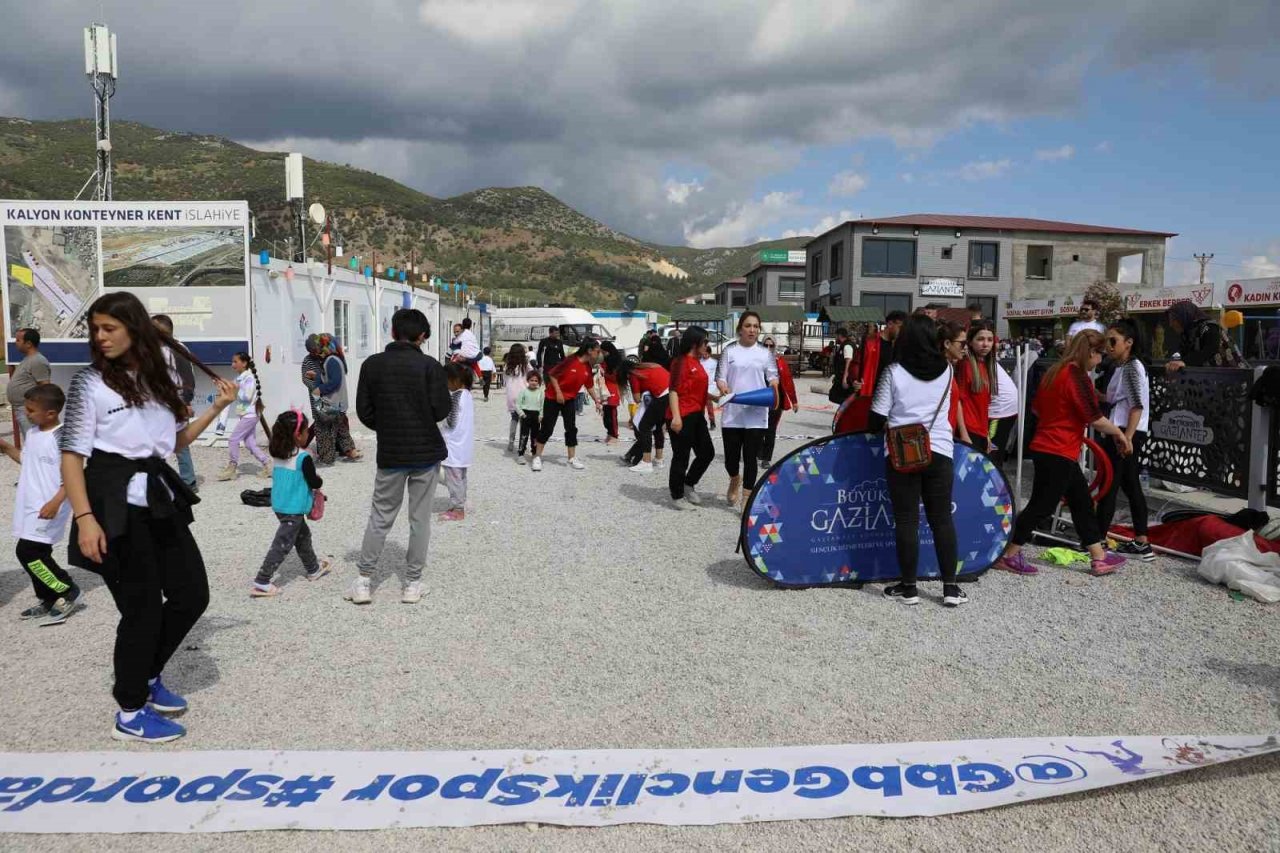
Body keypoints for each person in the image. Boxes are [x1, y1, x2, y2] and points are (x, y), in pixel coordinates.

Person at [60, 291, 238, 743]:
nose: (99, 338)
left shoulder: (158, 380)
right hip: (111, 502)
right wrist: (84, 518)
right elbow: (72, 457)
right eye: (95, 330)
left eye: (109, 329)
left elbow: (173, 444)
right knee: (140, 610)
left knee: (191, 594)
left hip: (158, 496)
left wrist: (215, 409)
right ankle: (130, 708)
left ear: (134, 329)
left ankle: (147, 673)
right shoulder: (89, 383)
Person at [993, 330, 1132, 578]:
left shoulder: (1053, 373)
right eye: (1099, 355)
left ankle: (1098, 557)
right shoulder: (1077, 377)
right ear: (1091, 352)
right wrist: (1120, 435)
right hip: (1059, 448)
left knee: (1080, 502)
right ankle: (1008, 554)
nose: (1100, 360)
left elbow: (1037, 409)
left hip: (1049, 446)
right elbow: (1095, 418)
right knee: (1041, 506)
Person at [351, 308, 452, 605]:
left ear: (393, 332)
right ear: (422, 336)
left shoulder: (372, 365)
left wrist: (389, 425)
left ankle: (363, 581)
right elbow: (441, 410)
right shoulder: (430, 367)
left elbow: (365, 411)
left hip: (391, 452)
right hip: (426, 451)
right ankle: (412, 583)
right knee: (420, 520)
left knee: (380, 516)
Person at [868, 315, 968, 608]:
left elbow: (875, 420)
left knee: (907, 520)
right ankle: (950, 588)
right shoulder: (948, 371)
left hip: (901, 454)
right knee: (941, 520)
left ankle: (909, 588)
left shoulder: (894, 372)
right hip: (940, 450)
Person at [1, 384, 79, 625]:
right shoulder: (34, 433)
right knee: (37, 553)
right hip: (30, 506)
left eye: (31, 410)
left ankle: (65, 589)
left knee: (27, 551)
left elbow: (72, 474)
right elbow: (26, 460)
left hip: (49, 506)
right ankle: (48, 598)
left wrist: (56, 501)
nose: (26, 414)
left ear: (51, 413)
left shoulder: (63, 437)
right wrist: (6, 448)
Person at [250, 409, 330, 597]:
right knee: (283, 543)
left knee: (302, 536)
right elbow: (314, 482)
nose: (307, 434)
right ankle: (262, 580)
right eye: (305, 431)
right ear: (298, 435)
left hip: (279, 504)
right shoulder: (303, 457)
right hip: (293, 508)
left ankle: (313, 569)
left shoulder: (278, 453)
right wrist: (319, 482)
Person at [1097, 319, 1154, 561]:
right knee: (1129, 485)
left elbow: (1136, 405)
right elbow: (1115, 399)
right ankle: (1141, 540)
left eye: (1114, 341)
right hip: (1122, 428)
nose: (1109, 346)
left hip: (1125, 430)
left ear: (1128, 343)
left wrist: (1127, 437)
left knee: (1109, 483)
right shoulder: (1121, 367)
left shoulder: (1131, 367)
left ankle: (1097, 539)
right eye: (1107, 340)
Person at [716, 311, 779, 507]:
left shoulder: (765, 353)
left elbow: (773, 376)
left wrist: (775, 386)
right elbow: (720, 376)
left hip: (756, 414)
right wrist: (722, 386)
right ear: (740, 329)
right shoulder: (730, 351)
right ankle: (735, 479)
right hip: (733, 413)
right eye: (748, 326)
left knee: (751, 458)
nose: (752, 330)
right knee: (731, 460)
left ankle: (747, 498)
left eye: (756, 326)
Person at [531, 339, 603, 472]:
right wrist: (558, 392)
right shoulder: (570, 360)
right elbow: (552, 374)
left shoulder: (588, 366)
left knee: (571, 428)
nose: (599, 354)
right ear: (589, 350)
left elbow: (589, 385)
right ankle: (537, 457)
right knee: (547, 428)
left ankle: (572, 458)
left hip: (569, 400)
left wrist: (597, 401)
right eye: (597, 351)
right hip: (553, 398)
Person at [667, 327, 716, 510]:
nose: (707, 345)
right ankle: (677, 495)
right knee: (681, 457)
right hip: (682, 415)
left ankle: (688, 484)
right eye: (705, 342)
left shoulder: (697, 362)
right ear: (695, 343)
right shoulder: (680, 363)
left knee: (707, 453)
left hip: (697, 414)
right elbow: (673, 391)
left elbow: (698, 390)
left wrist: (717, 398)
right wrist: (676, 418)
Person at [839, 311, 906, 432]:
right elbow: (856, 364)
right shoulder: (871, 341)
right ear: (890, 324)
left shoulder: (900, 345)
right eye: (900, 327)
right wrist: (854, 380)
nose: (902, 331)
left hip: (890, 396)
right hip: (869, 392)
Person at [153, 315, 198, 491]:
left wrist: (185, 401)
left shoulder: (177, 349)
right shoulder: (152, 350)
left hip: (175, 404)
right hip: (156, 405)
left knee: (181, 443)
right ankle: (156, 479)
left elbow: (188, 378)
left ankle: (188, 482)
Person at [302, 333, 359, 465]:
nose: (315, 352)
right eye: (313, 351)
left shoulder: (330, 360)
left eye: (316, 349)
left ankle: (332, 454)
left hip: (329, 398)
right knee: (329, 424)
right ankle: (345, 450)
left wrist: (319, 386)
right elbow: (309, 378)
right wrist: (316, 386)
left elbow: (332, 380)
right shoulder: (312, 360)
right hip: (321, 398)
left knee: (329, 426)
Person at [217, 352, 270, 481]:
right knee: (250, 443)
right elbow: (231, 387)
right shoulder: (240, 377)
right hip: (246, 414)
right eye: (232, 362)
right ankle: (268, 464)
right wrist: (220, 384)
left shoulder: (249, 378)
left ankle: (232, 467)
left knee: (233, 440)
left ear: (244, 363)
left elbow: (247, 396)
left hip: (250, 415)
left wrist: (235, 390)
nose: (232, 364)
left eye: (235, 362)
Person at [1165, 299, 1245, 374]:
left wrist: (1185, 362)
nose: (1171, 324)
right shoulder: (1187, 335)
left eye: (1173, 319)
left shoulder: (1209, 327)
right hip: (1210, 380)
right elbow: (1185, 356)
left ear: (1184, 316)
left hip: (1233, 377)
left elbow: (1211, 348)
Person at [439, 362, 475, 521]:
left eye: (446, 380)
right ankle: (460, 503)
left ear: (454, 380)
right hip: (464, 446)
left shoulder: (455, 397)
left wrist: (441, 423)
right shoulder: (467, 395)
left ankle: (459, 509)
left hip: (454, 446)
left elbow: (451, 421)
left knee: (453, 478)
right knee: (461, 477)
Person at [619, 359, 669, 472]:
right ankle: (659, 459)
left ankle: (646, 462)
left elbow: (637, 399)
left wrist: (643, 390)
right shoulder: (650, 365)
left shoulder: (633, 374)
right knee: (658, 428)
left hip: (661, 396)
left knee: (644, 426)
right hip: (671, 394)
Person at [955, 320, 996, 452]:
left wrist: (987, 435)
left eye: (990, 340)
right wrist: (964, 434)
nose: (985, 344)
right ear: (970, 342)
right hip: (968, 431)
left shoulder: (986, 365)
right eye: (980, 339)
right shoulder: (965, 365)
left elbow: (983, 407)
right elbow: (958, 401)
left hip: (981, 432)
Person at [759, 337, 798, 466]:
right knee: (758, 428)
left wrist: (794, 401)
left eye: (771, 345)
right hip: (759, 400)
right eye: (766, 345)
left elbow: (788, 382)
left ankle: (766, 458)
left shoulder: (780, 362)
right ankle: (757, 453)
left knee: (771, 430)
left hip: (776, 400)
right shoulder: (756, 361)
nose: (768, 348)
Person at [8, 328, 52, 438]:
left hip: (29, 410)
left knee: (35, 441)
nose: (15, 343)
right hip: (22, 409)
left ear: (28, 344)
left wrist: (37, 411)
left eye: (18, 340)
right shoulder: (28, 359)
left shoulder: (38, 361)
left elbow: (45, 387)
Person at [987, 359, 1020, 466]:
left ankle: (992, 477)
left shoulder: (977, 360)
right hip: (1005, 407)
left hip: (1000, 411)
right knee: (996, 446)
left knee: (992, 448)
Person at [503, 343, 530, 451]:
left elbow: (505, 380)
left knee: (514, 418)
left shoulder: (507, 365)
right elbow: (532, 374)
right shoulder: (525, 365)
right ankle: (522, 443)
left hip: (511, 394)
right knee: (524, 420)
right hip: (523, 394)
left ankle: (511, 441)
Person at [515, 371, 544, 464]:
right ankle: (521, 454)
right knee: (524, 435)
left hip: (536, 416)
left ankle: (534, 453)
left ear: (538, 382)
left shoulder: (540, 392)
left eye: (536, 381)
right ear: (528, 381)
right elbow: (517, 405)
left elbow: (542, 406)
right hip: (525, 415)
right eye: (531, 380)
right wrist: (522, 414)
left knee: (535, 436)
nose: (533, 382)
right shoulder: (523, 391)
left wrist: (541, 415)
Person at [599, 344, 622, 445]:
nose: (602, 354)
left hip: (612, 389)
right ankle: (609, 433)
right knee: (605, 414)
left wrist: (604, 373)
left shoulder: (616, 362)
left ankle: (615, 435)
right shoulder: (604, 360)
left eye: (603, 352)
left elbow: (616, 377)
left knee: (612, 414)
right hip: (604, 389)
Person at [828, 327, 854, 404]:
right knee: (836, 395)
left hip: (845, 377)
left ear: (840, 336)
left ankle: (847, 406)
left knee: (834, 396)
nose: (835, 338)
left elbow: (848, 361)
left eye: (836, 336)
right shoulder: (844, 345)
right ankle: (845, 407)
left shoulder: (847, 346)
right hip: (840, 376)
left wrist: (845, 378)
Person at [700, 350, 719, 429]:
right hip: (700, 385)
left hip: (710, 386)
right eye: (704, 353)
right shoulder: (699, 361)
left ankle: (712, 421)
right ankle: (702, 422)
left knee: (708, 403)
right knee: (701, 405)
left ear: (709, 353)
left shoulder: (714, 362)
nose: (705, 355)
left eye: (706, 353)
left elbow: (717, 373)